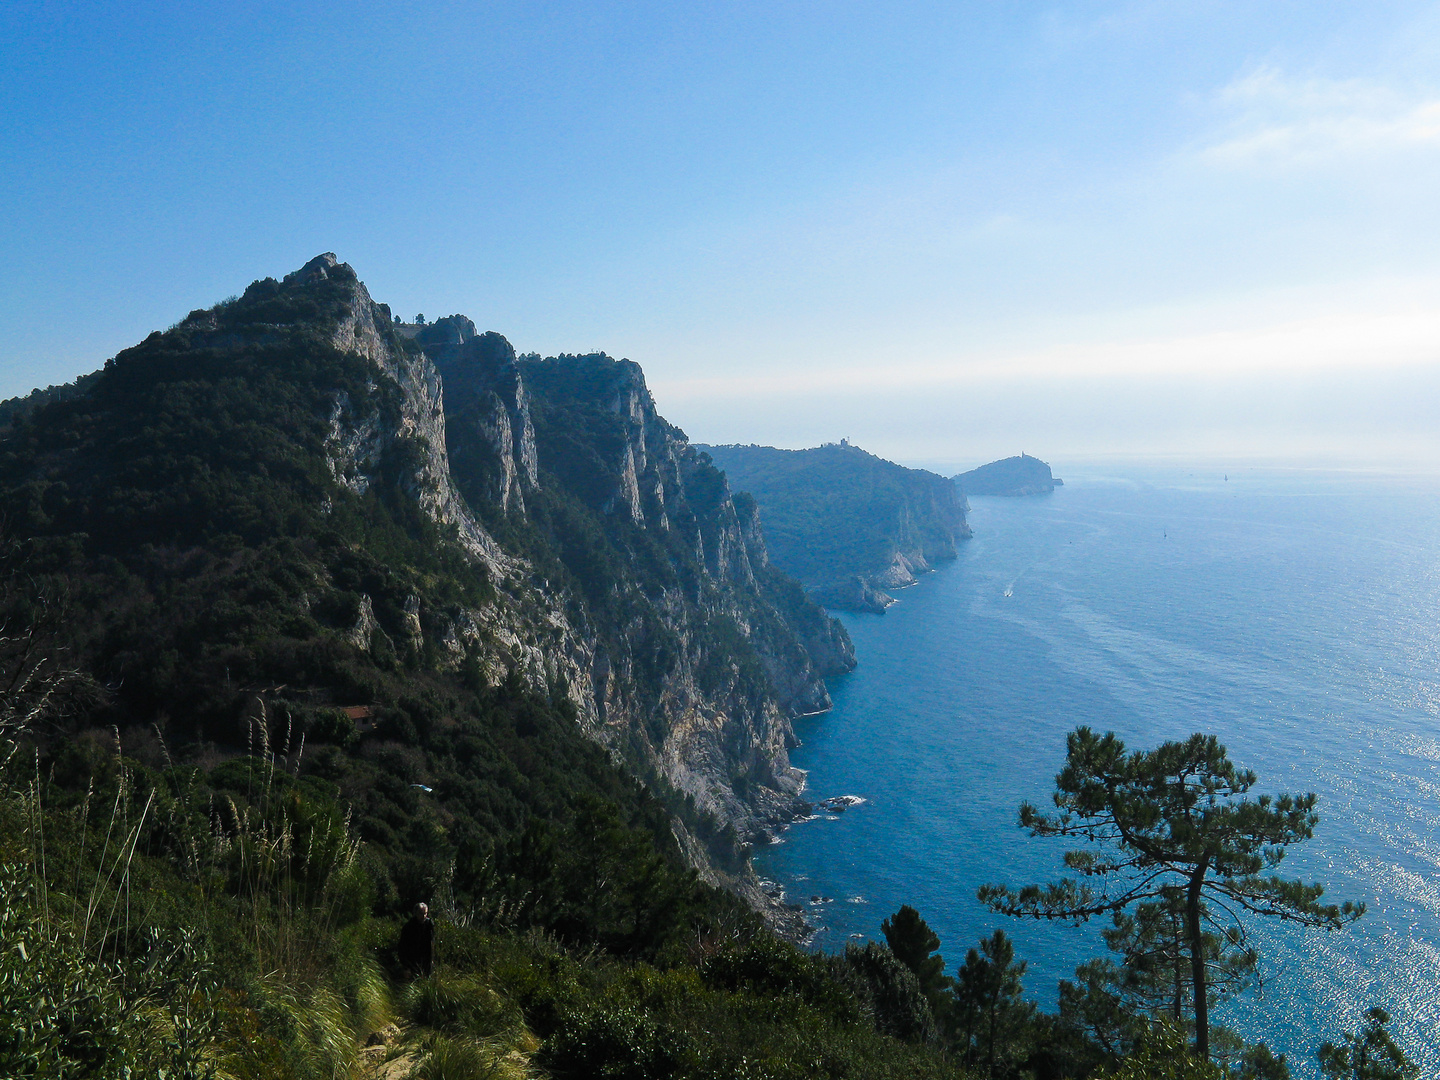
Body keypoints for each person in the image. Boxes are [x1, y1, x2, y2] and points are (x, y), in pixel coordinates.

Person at [398, 902, 435, 977]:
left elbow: (432, 942)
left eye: (425, 913)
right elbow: (402, 947)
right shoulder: (409, 927)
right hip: (412, 961)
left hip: (426, 961)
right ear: (415, 913)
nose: (423, 916)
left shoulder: (429, 925)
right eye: (421, 913)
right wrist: (406, 966)